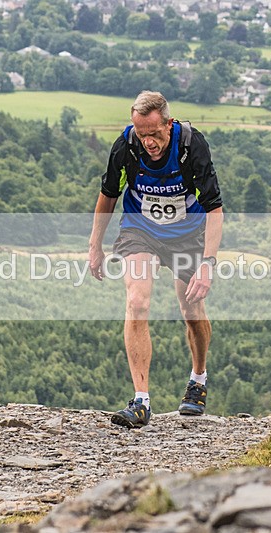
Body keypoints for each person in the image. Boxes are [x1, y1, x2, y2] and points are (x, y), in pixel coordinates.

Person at [88, 91, 224, 428]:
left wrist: (207, 265)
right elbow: (108, 195)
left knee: (191, 308)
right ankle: (141, 401)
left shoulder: (192, 146)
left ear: (169, 123)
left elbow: (215, 209)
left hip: (186, 233)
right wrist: (95, 246)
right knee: (137, 301)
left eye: (154, 134)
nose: (148, 141)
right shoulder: (126, 145)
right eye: (142, 133)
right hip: (141, 230)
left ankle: (198, 378)